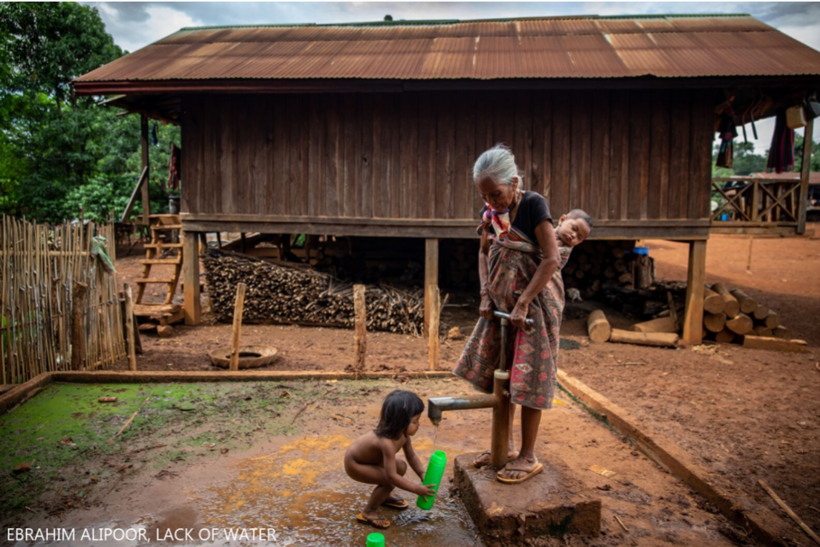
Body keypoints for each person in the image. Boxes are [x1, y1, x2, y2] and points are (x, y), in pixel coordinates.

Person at [453, 144, 592, 484]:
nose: (491, 202)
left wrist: (524, 302)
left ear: (514, 183)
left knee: (531, 378)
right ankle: (505, 445)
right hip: (502, 307)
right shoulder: (491, 212)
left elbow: (551, 259)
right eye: (484, 196)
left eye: (496, 194)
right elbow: (484, 253)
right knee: (503, 375)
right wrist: (486, 294)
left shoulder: (533, 205)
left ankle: (528, 456)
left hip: (536, 307)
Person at [344, 390, 436, 529]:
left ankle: (383, 496)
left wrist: (422, 474)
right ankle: (369, 511)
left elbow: (411, 457)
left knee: (401, 467)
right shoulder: (386, 442)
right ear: (400, 422)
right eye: (414, 421)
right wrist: (417, 489)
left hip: (371, 461)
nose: (418, 425)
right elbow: (392, 477)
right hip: (355, 464)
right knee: (390, 480)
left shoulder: (404, 436)